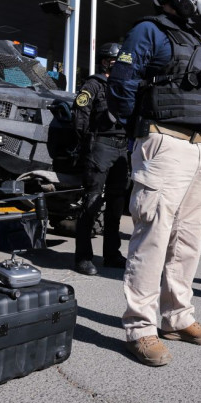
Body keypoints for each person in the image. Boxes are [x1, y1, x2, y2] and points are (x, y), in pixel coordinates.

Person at [107, 0, 201, 366]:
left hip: (199, 149)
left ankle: (177, 317)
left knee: (189, 240)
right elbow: (121, 87)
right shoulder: (148, 30)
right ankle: (141, 327)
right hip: (164, 144)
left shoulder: (197, 39)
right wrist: (141, 135)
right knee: (153, 237)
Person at [72, 42, 130, 275]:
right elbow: (80, 117)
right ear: (106, 62)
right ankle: (83, 258)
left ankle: (112, 254)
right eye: (116, 62)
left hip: (122, 147)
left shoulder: (126, 86)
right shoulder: (93, 84)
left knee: (116, 205)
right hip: (100, 146)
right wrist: (87, 145)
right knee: (91, 202)